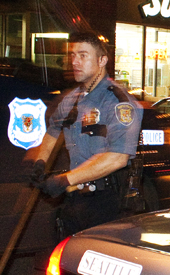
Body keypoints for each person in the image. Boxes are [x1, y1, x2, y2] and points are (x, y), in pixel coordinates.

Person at [29, 31, 143, 239]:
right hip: (75, 202)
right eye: (72, 55)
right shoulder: (72, 100)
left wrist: (63, 180)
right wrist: (39, 163)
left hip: (107, 203)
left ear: (102, 60)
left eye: (83, 55)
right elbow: (52, 133)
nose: (75, 62)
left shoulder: (118, 102)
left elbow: (118, 158)